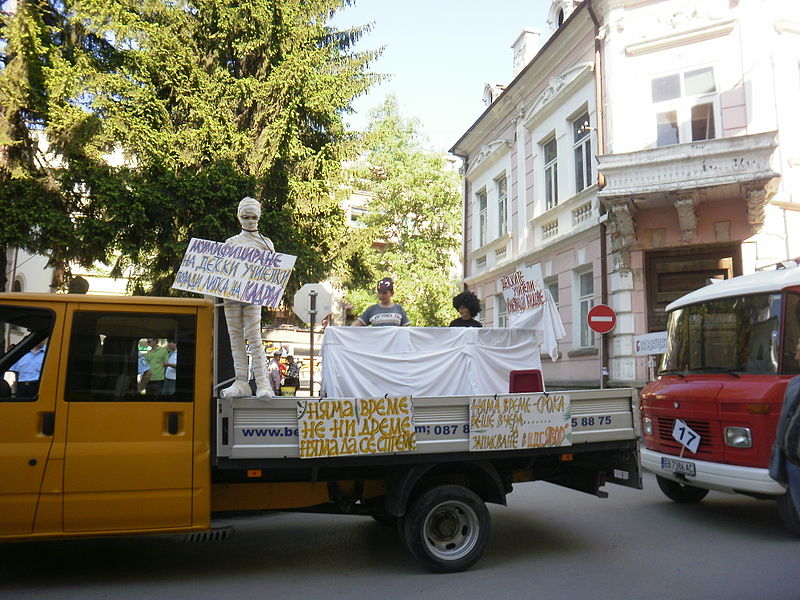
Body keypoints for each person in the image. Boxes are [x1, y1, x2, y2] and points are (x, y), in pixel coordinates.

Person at [221, 197, 275, 399]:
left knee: (254, 337)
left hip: (253, 295)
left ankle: (263, 382)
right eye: (246, 217)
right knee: (234, 337)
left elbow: (273, 273)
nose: (250, 221)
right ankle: (241, 380)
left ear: (259, 217)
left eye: (253, 217)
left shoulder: (266, 243)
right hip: (232, 296)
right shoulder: (231, 242)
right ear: (239, 217)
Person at [770, 338, 800, 512]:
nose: (796, 357)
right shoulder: (794, 384)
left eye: (798, 351)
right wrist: (779, 466)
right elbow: (783, 426)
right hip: (793, 464)